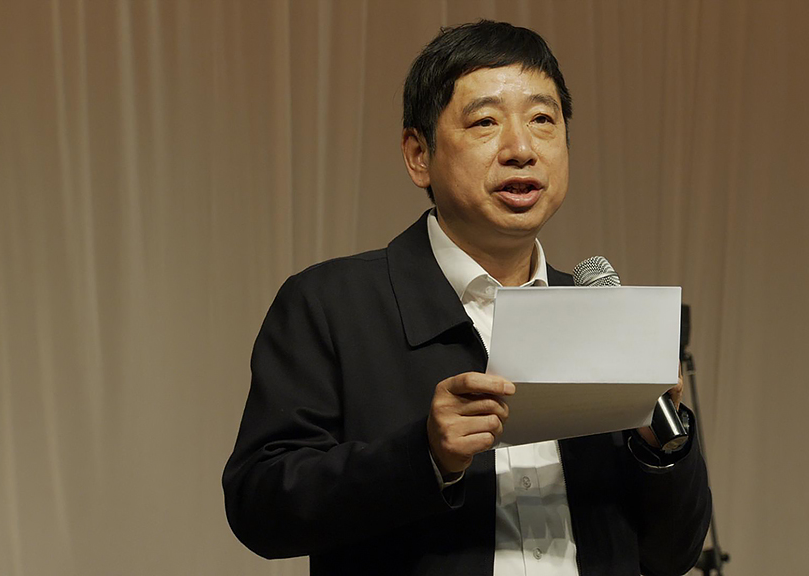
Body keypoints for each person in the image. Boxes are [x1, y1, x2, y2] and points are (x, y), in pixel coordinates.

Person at [223, 20, 711, 576]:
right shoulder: (331, 304)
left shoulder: (600, 314)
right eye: (485, 122)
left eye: (543, 120)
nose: (522, 149)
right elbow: (259, 506)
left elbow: (671, 554)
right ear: (418, 155)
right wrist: (424, 455)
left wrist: (659, 444)